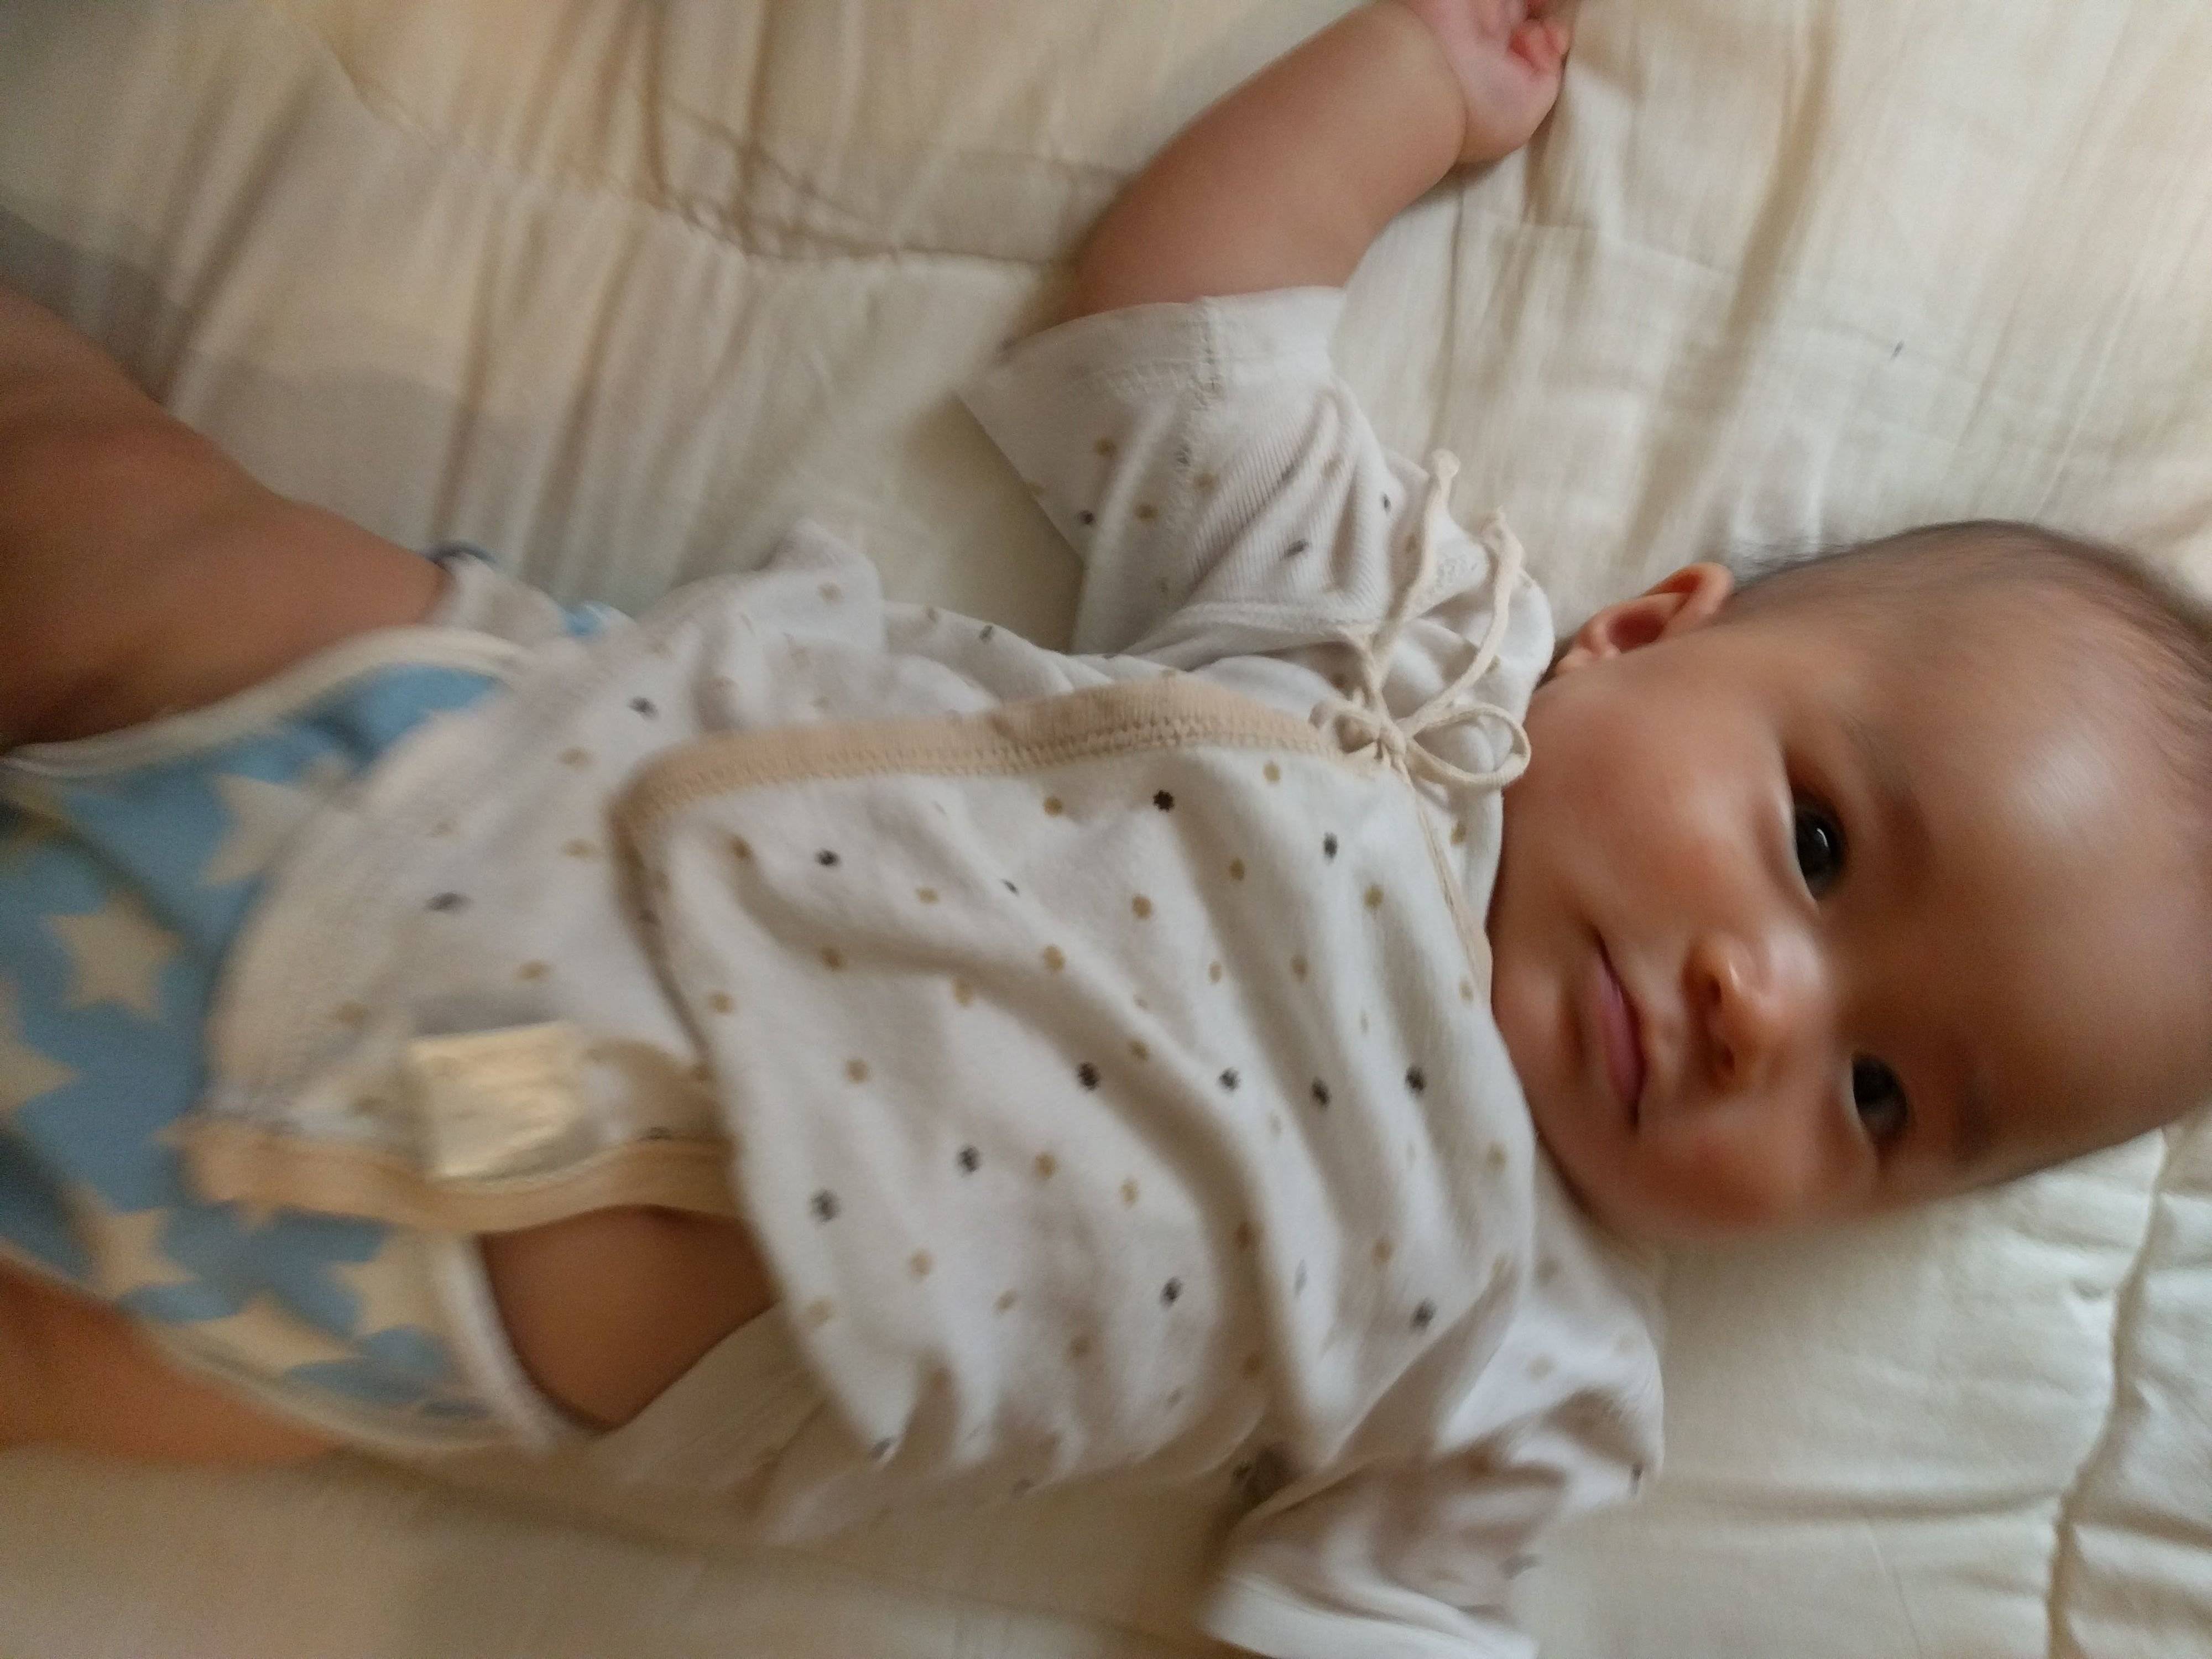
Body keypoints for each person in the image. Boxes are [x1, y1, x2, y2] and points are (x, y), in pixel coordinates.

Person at [3, 2, 2209, 1652]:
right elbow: (1175, 338)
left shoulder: (1528, 1365)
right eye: (1815, 847)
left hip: (380, 1322)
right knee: (95, 522)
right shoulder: (1404, 665)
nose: (1761, 1010)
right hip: (461, 784)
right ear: (1638, 629)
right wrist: (1413, 86)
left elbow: (1360, 1624)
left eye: (1881, 1096)